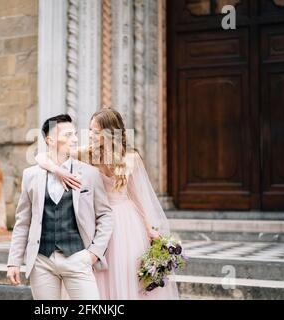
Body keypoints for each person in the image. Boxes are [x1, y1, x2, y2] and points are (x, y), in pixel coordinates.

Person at [35, 109, 179, 299]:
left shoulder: (131, 158)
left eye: (96, 131)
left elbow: (136, 198)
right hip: (97, 221)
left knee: (125, 273)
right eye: (90, 130)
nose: (91, 135)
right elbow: (41, 157)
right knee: (97, 274)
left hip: (127, 223)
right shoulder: (87, 154)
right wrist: (57, 170)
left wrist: (149, 228)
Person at [6, 114, 114, 300]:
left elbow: (105, 215)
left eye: (75, 134)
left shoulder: (89, 174)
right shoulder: (30, 175)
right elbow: (22, 222)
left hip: (78, 258)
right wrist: (13, 262)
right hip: (41, 261)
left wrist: (94, 253)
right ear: (50, 140)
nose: (75, 139)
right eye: (68, 135)